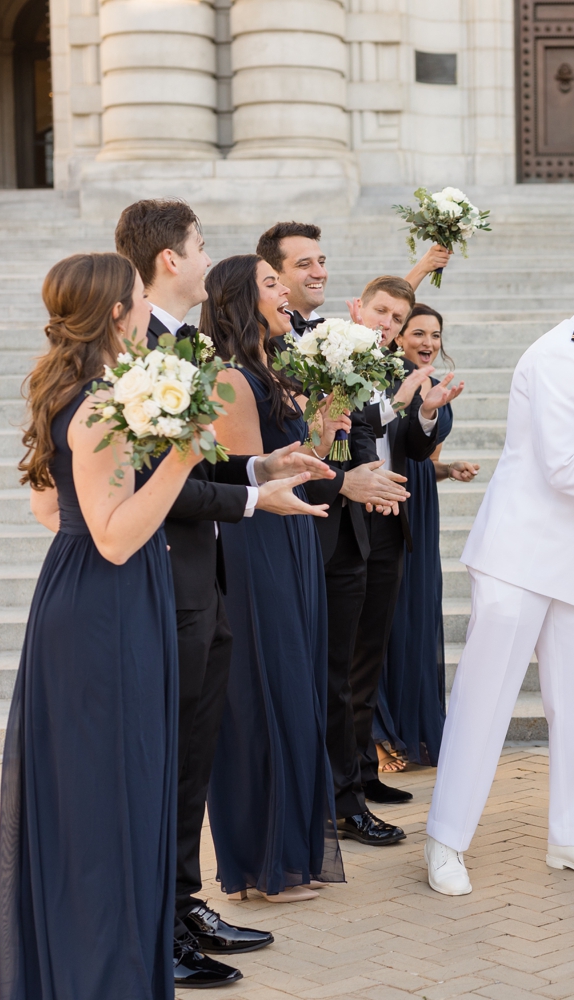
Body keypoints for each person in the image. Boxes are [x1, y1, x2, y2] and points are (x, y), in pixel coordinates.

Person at [114, 199, 342, 986]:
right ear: (170, 260)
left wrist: (260, 469)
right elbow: (156, 484)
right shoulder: (135, 350)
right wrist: (252, 499)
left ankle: (183, 905)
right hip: (159, 580)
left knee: (191, 762)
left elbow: (197, 469)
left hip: (198, 579)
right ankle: (159, 926)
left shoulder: (182, 347)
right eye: (202, 246)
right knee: (168, 761)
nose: (212, 260)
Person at [422, 240, 574, 896]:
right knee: (486, 700)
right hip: (521, 554)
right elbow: (562, 464)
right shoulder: (562, 354)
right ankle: (446, 841)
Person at [0, 252, 203, 1000]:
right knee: (110, 798)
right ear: (119, 313)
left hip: (79, 595)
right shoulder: (101, 405)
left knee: (89, 798)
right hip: (109, 604)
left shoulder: (79, 394)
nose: (149, 308)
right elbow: (117, 536)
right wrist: (181, 458)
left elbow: (50, 512)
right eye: (141, 297)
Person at [256, 225, 458, 839]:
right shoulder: (309, 345)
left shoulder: (357, 349)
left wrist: (418, 411)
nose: (317, 269)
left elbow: (377, 431)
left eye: (323, 260)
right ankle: (338, 797)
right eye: (302, 264)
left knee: (359, 666)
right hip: (319, 525)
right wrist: (346, 480)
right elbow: (310, 438)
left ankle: (355, 777)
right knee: (334, 671)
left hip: (371, 526)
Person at [202, 254, 353, 901]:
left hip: (293, 534)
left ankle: (290, 853)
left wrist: (325, 424)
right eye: (270, 283)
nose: (285, 291)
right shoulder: (233, 379)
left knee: (297, 689)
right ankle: (265, 863)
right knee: (266, 690)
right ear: (242, 300)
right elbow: (246, 475)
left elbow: (296, 459)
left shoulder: (276, 369)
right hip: (256, 540)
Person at [373, 303, 476, 771]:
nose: (428, 342)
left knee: (416, 617)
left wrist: (447, 469)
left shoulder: (437, 386)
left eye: (435, 334)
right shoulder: (380, 377)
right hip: (383, 501)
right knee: (386, 620)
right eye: (417, 332)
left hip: (420, 505)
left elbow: (419, 455)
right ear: (397, 335)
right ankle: (379, 732)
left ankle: (414, 727)